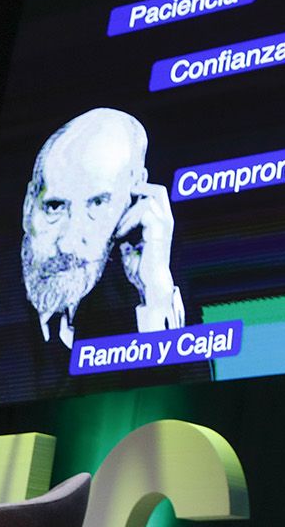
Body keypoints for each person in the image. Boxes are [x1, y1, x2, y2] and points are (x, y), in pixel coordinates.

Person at [22, 107, 185, 357]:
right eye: (54, 206)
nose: (68, 244)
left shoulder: (152, 288)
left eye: (97, 204)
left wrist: (154, 297)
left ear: (135, 197)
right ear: (28, 205)